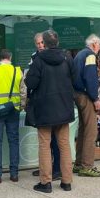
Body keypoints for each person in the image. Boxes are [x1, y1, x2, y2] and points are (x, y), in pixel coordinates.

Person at [25, 29, 75, 193]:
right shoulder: (67, 58)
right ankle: (66, 182)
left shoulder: (38, 60)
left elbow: (31, 83)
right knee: (64, 145)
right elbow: (74, 79)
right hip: (64, 107)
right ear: (58, 42)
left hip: (44, 109)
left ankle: (46, 182)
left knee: (44, 146)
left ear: (44, 44)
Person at [0, 49, 26, 184]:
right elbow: (23, 92)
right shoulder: (17, 71)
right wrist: (21, 106)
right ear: (10, 58)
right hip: (13, 110)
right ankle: (14, 174)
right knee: (13, 141)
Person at [72, 34, 100, 178]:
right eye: (99, 45)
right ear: (94, 44)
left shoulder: (80, 54)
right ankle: (87, 166)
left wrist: (99, 72)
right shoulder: (90, 56)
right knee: (91, 132)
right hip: (86, 96)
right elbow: (89, 79)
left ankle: (79, 163)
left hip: (77, 94)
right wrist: (95, 99)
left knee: (82, 130)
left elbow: (82, 76)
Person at [28, 33, 62, 181]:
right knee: (45, 142)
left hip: (53, 103)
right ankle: (45, 168)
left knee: (55, 141)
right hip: (42, 103)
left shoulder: (59, 56)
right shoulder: (34, 57)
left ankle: (56, 170)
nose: (40, 45)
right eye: (38, 43)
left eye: (42, 43)